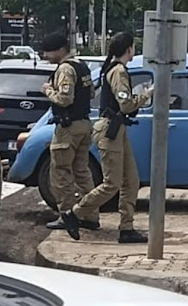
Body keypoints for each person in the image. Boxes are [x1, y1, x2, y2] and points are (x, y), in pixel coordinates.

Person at [62, 32, 154, 244]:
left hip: (117, 130)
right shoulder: (118, 71)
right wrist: (146, 95)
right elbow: (126, 104)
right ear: (128, 49)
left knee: (131, 181)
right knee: (111, 183)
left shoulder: (115, 69)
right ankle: (74, 213)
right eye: (133, 47)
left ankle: (127, 227)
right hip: (109, 131)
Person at [40, 32, 100, 231]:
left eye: (48, 52)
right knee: (82, 171)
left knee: (61, 173)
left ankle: (66, 215)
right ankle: (90, 214)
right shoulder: (82, 66)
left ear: (60, 50)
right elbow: (91, 93)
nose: (46, 56)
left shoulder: (65, 69)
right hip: (84, 123)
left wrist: (48, 90)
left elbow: (65, 99)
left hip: (68, 127)